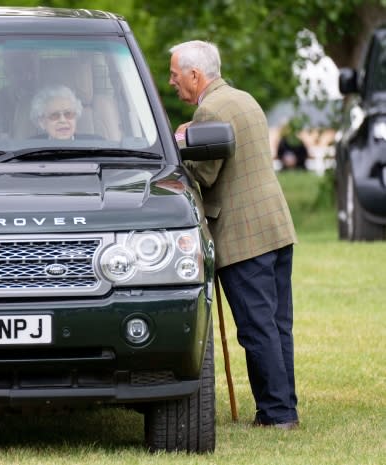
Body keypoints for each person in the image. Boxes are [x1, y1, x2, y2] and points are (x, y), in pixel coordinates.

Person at [168, 40, 300, 429]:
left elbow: (204, 177)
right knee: (277, 325)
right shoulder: (244, 98)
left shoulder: (209, 110)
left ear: (195, 75)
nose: (173, 83)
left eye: (176, 76)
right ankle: (283, 408)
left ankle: (277, 414)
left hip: (244, 237)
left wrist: (178, 149)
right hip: (275, 226)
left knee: (258, 328)